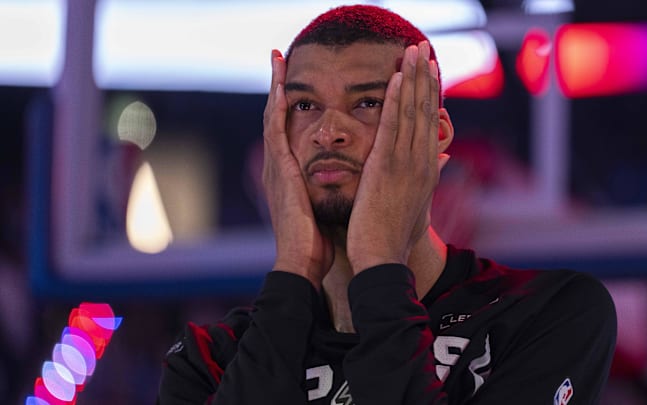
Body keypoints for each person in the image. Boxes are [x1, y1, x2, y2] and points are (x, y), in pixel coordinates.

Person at [157, 5, 616, 404]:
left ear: (434, 134)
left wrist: (378, 261)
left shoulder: (545, 314)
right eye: (303, 106)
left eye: (368, 102)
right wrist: (294, 269)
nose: (328, 130)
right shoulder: (209, 360)